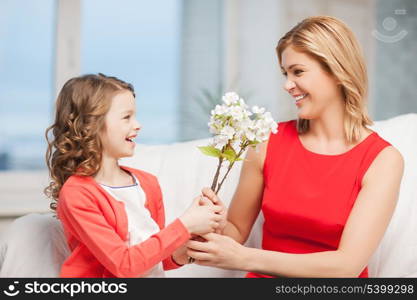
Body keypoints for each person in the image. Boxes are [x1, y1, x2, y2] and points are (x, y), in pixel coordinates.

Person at [187, 16, 404, 277]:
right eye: (285, 73)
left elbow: (347, 266)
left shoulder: (382, 160)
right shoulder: (267, 143)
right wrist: (214, 226)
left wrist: (244, 258)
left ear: (337, 71)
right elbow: (235, 230)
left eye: (298, 72)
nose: (287, 85)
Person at [45, 73, 224, 277]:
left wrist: (191, 241)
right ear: (90, 125)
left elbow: (155, 256)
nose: (137, 125)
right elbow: (124, 265)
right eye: (126, 117)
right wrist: (186, 224)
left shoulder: (148, 183)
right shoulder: (78, 194)